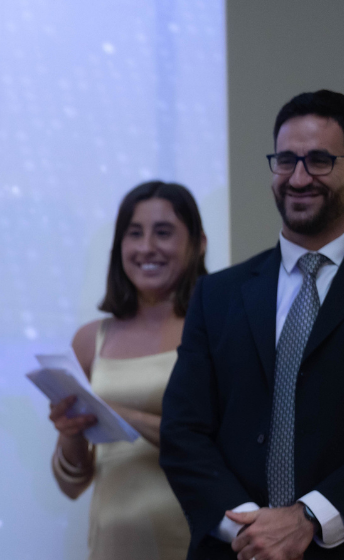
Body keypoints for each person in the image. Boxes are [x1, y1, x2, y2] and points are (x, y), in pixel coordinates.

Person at [160, 90, 344, 560]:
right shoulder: (217, 295)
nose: (298, 178)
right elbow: (183, 433)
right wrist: (248, 529)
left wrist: (309, 517)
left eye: (319, 161)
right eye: (286, 160)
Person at [49, 181, 206, 560]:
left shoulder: (215, 329)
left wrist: (122, 414)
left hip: (197, 539)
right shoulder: (90, 339)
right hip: (114, 543)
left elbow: (220, 448)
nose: (146, 247)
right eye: (134, 234)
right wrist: (71, 432)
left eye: (163, 233)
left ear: (198, 243)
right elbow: (72, 484)